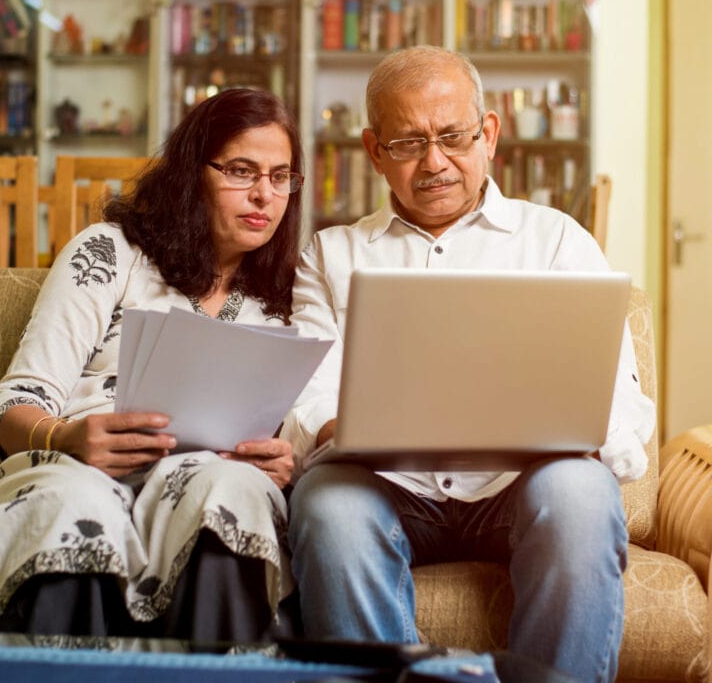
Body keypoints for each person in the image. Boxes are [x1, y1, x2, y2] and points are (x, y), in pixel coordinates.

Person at [280, 46, 655, 682]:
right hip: (387, 487)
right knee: (328, 505)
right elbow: (304, 393)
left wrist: (581, 433)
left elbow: (621, 403)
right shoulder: (331, 253)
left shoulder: (558, 241)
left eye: (453, 136)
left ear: (489, 134)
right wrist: (337, 428)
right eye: (408, 143)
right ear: (374, 151)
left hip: (520, 486)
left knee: (580, 493)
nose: (435, 162)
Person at [0, 87, 305, 642]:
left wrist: (286, 461)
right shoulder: (111, 251)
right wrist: (68, 437)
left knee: (234, 492)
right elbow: (13, 403)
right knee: (73, 501)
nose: (264, 194)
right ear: (194, 172)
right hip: (84, 467)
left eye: (280, 176)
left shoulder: (291, 294)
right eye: (242, 171)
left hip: (209, 478)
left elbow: (298, 429)